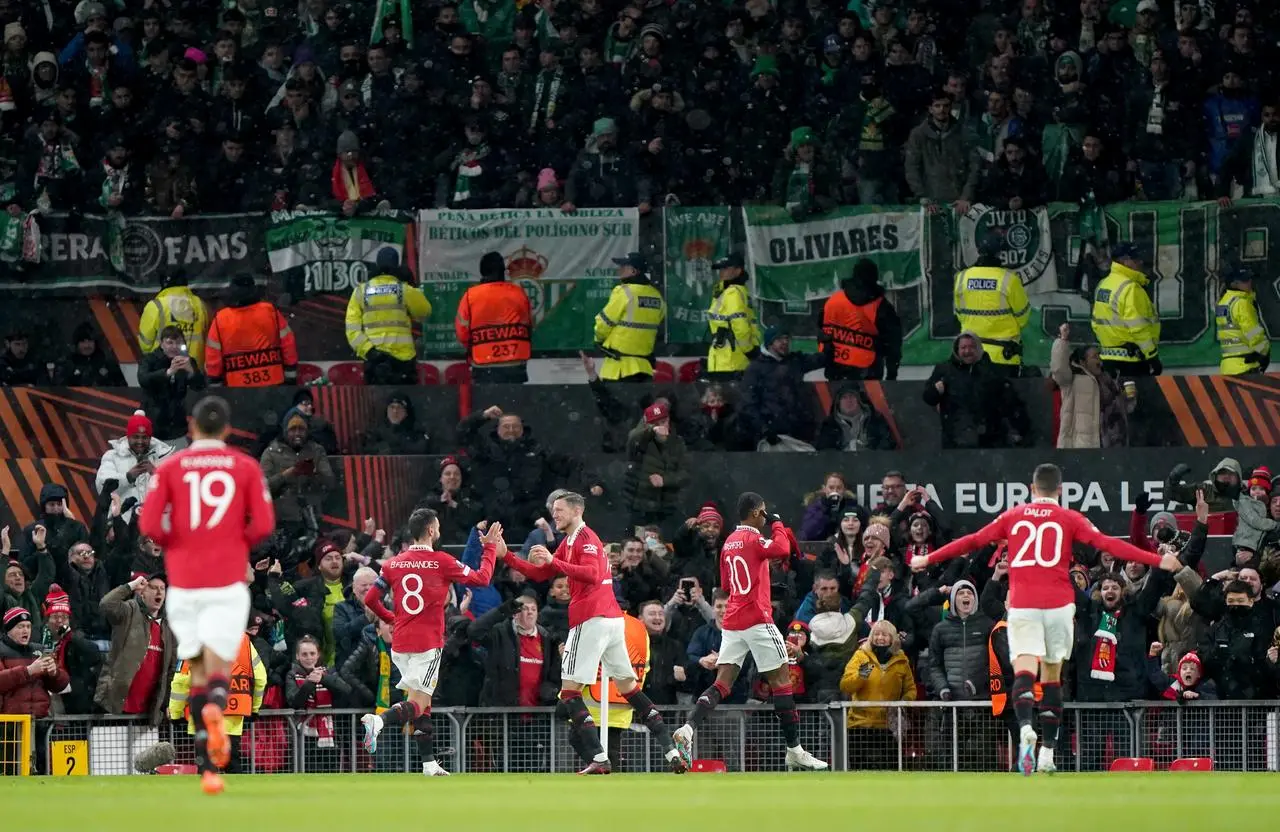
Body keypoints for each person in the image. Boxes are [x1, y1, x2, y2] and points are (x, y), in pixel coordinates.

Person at [909, 463, 1180, 776]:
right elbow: (1109, 544)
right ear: (1060, 490)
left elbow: (973, 540)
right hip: (1058, 605)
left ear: (1031, 489)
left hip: (1023, 603)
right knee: (1051, 678)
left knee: (1025, 671)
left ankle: (1026, 727)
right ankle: (1048, 753)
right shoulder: (1069, 518)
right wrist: (1157, 559)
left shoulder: (1014, 516)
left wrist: (928, 558)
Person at [137, 396, 276, 795]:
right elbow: (264, 524)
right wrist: (231, 544)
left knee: (196, 666)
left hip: (186, 580)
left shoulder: (172, 467)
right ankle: (216, 706)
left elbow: (150, 524)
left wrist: (181, 544)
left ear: (192, 427)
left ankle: (207, 763)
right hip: (227, 580)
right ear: (227, 429)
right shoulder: (245, 467)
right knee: (218, 663)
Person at [502, 492, 687, 774]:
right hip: (611, 620)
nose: (555, 515)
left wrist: (554, 560)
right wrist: (505, 555)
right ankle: (671, 749)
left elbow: (589, 573)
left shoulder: (586, 538)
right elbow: (541, 573)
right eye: (553, 510)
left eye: (560, 510)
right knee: (630, 688)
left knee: (569, 692)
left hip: (591, 619)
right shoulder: (570, 541)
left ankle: (599, 758)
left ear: (577, 511)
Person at [672, 491, 828, 771]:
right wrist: (777, 524)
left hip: (733, 621)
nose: (765, 517)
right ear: (756, 513)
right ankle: (795, 750)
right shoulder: (754, 538)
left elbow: (727, 586)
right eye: (764, 512)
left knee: (722, 683)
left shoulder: (728, 543)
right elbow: (781, 549)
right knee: (782, 681)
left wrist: (761, 577)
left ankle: (688, 727)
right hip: (757, 618)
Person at [361, 510, 502, 777]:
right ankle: (378, 721)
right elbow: (483, 578)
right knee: (418, 701)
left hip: (400, 644)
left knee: (423, 705)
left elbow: (370, 599)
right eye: (437, 527)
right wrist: (490, 548)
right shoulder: (441, 561)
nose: (439, 530)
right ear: (430, 531)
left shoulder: (393, 564)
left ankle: (428, 763)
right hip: (426, 643)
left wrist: (392, 618)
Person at [345, 247, 431, 385]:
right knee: (406, 395)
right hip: (403, 361)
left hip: (375, 362)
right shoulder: (403, 289)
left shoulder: (360, 292)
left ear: (377, 264)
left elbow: (352, 330)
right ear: (397, 265)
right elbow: (425, 312)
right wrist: (413, 287)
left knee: (377, 398)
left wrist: (369, 351)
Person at [952, 235, 1030, 375]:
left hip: (970, 355)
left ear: (979, 251)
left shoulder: (962, 277)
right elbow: (1023, 317)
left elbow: (959, 314)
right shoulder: (1009, 280)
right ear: (1000, 254)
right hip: (1003, 356)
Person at [205, 274, 299, 387]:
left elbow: (213, 356)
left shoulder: (221, 319)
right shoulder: (270, 311)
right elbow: (288, 343)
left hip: (237, 388)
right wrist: (290, 376)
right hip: (273, 384)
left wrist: (215, 382)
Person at [455, 251, 533, 383]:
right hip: (514, 365)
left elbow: (462, 333)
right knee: (514, 397)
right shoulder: (518, 294)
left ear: (482, 272)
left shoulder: (470, 296)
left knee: (487, 397)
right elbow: (529, 326)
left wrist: (479, 347)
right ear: (503, 271)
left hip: (483, 365)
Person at [819, 258, 902, 381]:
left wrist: (828, 357)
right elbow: (893, 342)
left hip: (836, 371)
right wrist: (892, 374)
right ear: (875, 277)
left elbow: (821, 333)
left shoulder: (833, 301)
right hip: (869, 373)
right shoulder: (881, 306)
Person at [1090, 243, 1161, 377]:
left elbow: (1095, 323)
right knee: (1136, 392)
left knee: (1113, 391)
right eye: (1135, 258)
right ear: (1125, 261)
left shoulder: (1103, 284)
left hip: (1108, 359)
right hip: (1132, 361)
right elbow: (1138, 328)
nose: (1140, 262)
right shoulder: (1131, 288)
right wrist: (1152, 356)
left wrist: (1109, 344)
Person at [594, 252, 666, 382]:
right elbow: (658, 322)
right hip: (644, 368)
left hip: (619, 368)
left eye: (623, 266)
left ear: (634, 271)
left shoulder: (624, 292)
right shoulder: (657, 295)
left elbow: (603, 323)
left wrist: (598, 339)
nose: (619, 270)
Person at [137, 271, 210, 366]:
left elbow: (145, 344)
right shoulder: (200, 304)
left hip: (163, 367)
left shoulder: (156, 306)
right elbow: (207, 337)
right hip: (193, 367)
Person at [705, 252, 758, 379]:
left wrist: (749, 351)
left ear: (738, 271)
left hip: (731, 360)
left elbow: (740, 327)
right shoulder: (727, 291)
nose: (721, 272)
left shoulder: (732, 293)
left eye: (726, 268)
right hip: (727, 358)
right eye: (720, 269)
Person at [1215, 266, 1270, 376]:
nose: (1250, 282)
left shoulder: (1222, 304)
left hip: (1228, 367)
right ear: (1234, 284)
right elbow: (1254, 334)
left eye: (1250, 279)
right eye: (1245, 280)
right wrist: (1263, 353)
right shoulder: (1242, 303)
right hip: (1246, 366)